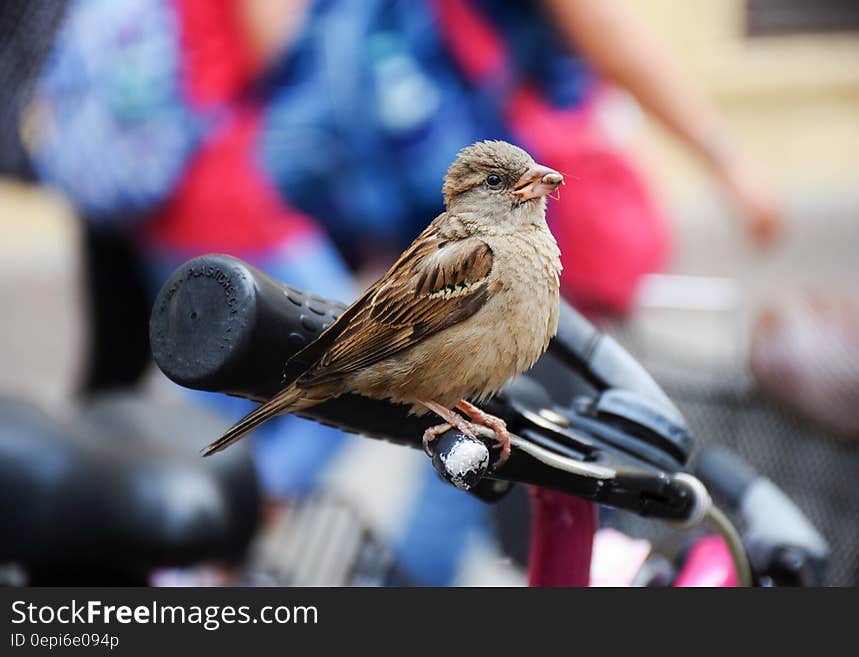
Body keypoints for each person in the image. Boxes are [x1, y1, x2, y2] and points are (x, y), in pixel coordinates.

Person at [23, 0, 781, 584]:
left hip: (216, 204)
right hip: (241, 211)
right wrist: (726, 156)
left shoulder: (496, 239)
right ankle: (205, 546)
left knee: (249, 415)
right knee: (348, 449)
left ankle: (205, 543)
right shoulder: (481, 253)